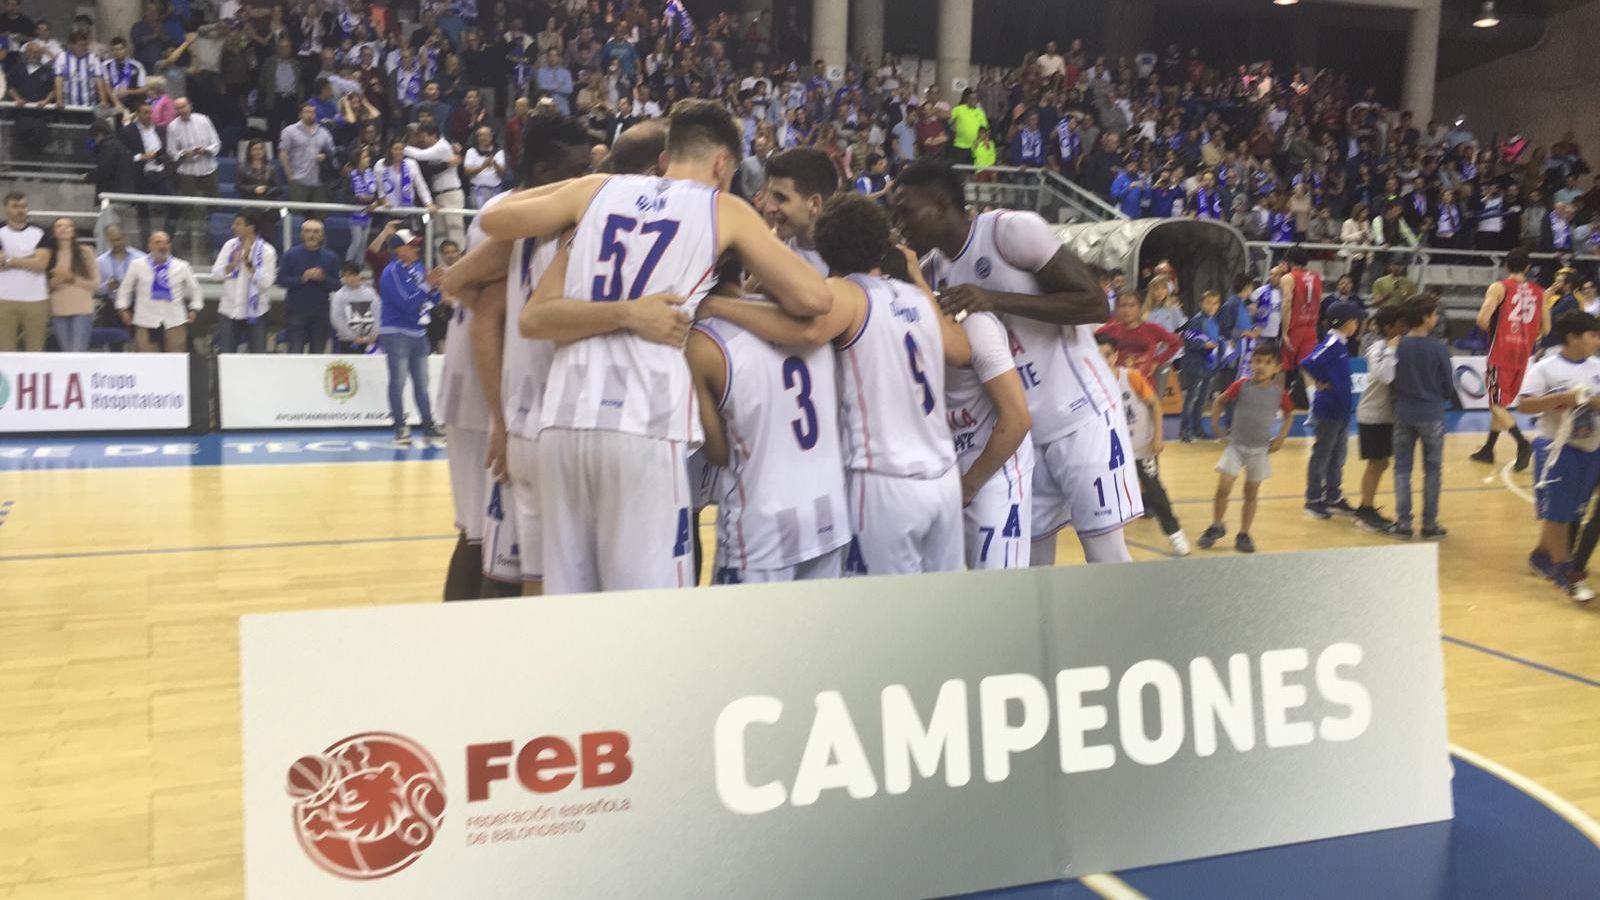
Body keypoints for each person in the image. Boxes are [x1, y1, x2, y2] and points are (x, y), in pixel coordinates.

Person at [479, 99, 830, 594]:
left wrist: (587, 188)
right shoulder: (721, 208)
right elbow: (812, 297)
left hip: (563, 423)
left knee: (567, 613)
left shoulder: (598, 193)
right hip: (642, 424)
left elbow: (503, 241)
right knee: (649, 615)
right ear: (722, 164)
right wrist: (678, 307)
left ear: (667, 156)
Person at [700, 196, 970, 576]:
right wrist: (920, 279)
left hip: (884, 480)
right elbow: (961, 350)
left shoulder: (847, 294)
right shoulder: (915, 297)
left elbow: (807, 329)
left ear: (824, 248)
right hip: (942, 478)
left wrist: (719, 307)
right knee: (945, 608)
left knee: (881, 617)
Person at [898, 159, 1142, 565]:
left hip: (1080, 414)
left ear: (940, 203)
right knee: (1031, 560)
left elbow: (1095, 304)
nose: (899, 221)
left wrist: (995, 298)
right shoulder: (930, 271)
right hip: (1021, 433)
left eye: (905, 209)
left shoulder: (1009, 230)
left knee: (1105, 553)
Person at [943, 294, 1034, 569]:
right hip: (945, 476)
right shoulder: (895, 332)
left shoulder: (976, 327)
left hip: (991, 473)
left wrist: (969, 486)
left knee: (998, 597)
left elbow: (1017, 420)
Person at [1521, 311, 1600, 604]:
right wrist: (1560, 399)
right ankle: (1566, 574)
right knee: (1558, 513)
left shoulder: (1597, 366)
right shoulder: (1546, 368)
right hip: (1557, 448)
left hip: (1591, 450)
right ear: (1573, 338)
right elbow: (1525, 404)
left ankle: (1541, 555)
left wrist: (1589, 401)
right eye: (1593, 335)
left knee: (1572, 512)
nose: (1597, 341)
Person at [1197, 341, 1294, 554]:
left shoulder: (1279, 393)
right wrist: (1216, 424)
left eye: (1268, 363)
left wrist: (1281, 438)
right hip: (1236, 446)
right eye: (1257, 361)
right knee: (1223, 486)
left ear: (1277, 368)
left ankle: (1243, 533)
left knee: (1251, 492)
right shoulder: (1241, 385)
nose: (1261, 366)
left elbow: (1289, 415)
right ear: (1251, 362)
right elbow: (1220, 401)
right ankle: (1217, 525)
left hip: (1260, 450)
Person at [1100, 334, 1188, 555]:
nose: (1104, 360)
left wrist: (1158, 436)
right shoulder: (1091, 384)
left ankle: (1175, 533)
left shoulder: (1130, 377)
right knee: (1109, 495)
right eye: (1098, 356)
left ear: (1116, 355)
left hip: (1141, 447)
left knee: (1154, 489)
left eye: (1108, 355)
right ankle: (1111, 542)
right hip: (1111, 452)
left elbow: (1155, 405)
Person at [1471, 248, 1548, 470]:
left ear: (1506, 266)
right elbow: (1547, 328)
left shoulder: (1500, 287)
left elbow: (1482, 319)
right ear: (1527, 267)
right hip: (1523, 354)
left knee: (1496, 404)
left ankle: (1522, 443)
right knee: (1501, 404)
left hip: (1501, 353)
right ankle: (1488, 449)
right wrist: (1525, 336)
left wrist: (1500, 334)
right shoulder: (1540, 292)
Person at [1385, 297, 1453, 541]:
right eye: (1434, 314)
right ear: (1425, 317)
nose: (1436, 318)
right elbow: (1448, 385)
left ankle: (1403, 523)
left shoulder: (1398, 346)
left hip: (1403, 412)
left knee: (1402, 468)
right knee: (1432, 470)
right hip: (1432, 414)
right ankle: (1429, 523)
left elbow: (1389, 380)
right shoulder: (1438, 348)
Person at [374, 228, 443, 446]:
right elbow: (406, 304)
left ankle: (429, 425)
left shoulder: (418, 267)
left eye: (416, 244)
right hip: (396, 332)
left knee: (422, 383)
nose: (417, 248)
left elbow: (432, 298)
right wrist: (428, 286)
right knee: (399, 381)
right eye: (411, 245)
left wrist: (434, 289)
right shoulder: (390, 272)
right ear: (398, 249)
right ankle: (400, 428)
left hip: (419, 331)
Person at [1299, 300, 1365, 518]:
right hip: (1329, 410)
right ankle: (1313, 498)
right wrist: (1320, 380)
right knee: (1322, 455)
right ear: (1347, 323)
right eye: (1356, 320)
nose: (1358, 324)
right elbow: (1307, 362)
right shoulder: (1332, 344)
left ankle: (1333, 496)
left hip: (1341, 410)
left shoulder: (1341, 345)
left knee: (1338, 456)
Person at [1355, 305, 1406, 532]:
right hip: (1373, 415)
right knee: (1376, 463)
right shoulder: (1379, 347)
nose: (1404, 327)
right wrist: (1392, 349)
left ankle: (1367, 506)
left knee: (1382, 462)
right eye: (1400, 323)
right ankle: (1365, 509)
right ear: (1389, 327)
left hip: (1387, 416)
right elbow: (1384, 376)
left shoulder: (1398, 346)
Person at [114, 230, 202, 352]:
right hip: (145, 320)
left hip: (175, 320)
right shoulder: (137, 265)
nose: (162, 246)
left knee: (176, 362)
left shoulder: (182, 266)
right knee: (146, 363)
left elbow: (195, 290)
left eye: (166, 243)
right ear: (149, 245)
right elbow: (125, 289)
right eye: (157, 243)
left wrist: (194, 309)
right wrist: (123, 309)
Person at [759, 147, 837, 275]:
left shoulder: (847, 261)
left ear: (814, 204)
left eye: (781, 198)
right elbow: (747, 293)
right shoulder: (775, 243)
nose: (769, 207)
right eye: (770, 195)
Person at [164, 96, 221, 261]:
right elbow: (172, 151)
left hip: (208, 167)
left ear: (190, 106)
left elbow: (216, 143)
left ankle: (212, 240)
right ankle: (189, 240)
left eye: (184, 107)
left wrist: (205, 150)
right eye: (178, 108)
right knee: (188, 207)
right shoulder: (173, 126)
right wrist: (183, 154)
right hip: (187, 170)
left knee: (214, 204)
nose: (182, 111)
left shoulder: (203, 120)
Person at [211, 214, 278, 353]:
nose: (233, 227)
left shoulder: (267, 251)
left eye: (238, 224)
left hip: (257, 311)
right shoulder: (229, 246)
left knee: (257, 355)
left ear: (250, 228)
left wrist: (248, 263)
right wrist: (232, 265)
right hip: (229, 310)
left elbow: (266, 283)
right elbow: (215, 275)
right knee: (226, 355)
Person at [277, 218, 341, 353]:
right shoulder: (291, 254)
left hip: (320, 314)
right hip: (295, 312)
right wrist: (302, 278)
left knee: (317, 357)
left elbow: (337, 285)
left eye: (316, 231)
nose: (312, 235)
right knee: (295, 354)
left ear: (322, 234)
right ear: (302, 234)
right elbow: (281, 281)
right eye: (308, 231)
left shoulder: (331, 257)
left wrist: (323, 278)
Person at [0, 192, 50, 352]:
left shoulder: (41, 231)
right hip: (4, 299)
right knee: (4, 352)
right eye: (15, 206)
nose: (20, 210)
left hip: (36, 299)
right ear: (6, 208)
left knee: (36, 350)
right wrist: (30, 258)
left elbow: (41, 264)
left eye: (23, 206)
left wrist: (10, 260)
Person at [405, 123, 467, 248]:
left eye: (424, 136)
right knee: (440, 234)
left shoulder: (442, 147)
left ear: (433, 135)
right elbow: (429, 169)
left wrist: (402, 148)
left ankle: (459, 265)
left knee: (454, 232)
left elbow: (420, 155)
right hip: (438, 196)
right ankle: (441, 266)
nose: (422, 140)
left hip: (451, 194)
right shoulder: (437, 148)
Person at [1097, 290, 1180, 382]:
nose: (1127, 310)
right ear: (1116, 309)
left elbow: (1175, 343)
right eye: (1122, 306)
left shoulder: (1152, 329)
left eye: (1132, 305)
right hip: (1117, 386)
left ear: (1139, 308)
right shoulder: (1109, 330)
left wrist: (1157, 361)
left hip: (1146, 386)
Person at [44, 218, 97, 352]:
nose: (64, 229)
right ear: (54, 232)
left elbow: (95, 283)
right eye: (59, 226)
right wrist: (57, 280)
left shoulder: (86, 251)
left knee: (77, 352)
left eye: (68, 226)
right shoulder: (49, 254)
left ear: (73, 231)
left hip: (82, 309)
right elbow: (44, 288)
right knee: (66, 353)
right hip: (58, 310)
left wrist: (71, 278)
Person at [1179, 290, 1224, 442]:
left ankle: (1198, 429)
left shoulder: (1214, 321)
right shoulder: (1197, 320)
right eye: (1208, 303)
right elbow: (1189, 338)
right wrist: (1204, 344)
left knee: (1202, 400)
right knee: (1191, 398)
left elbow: (1216, 340)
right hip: (1195, 365)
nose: (1212, 306)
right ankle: (1185, 430)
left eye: (1215, 303)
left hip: (1209, 366)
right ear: (1201, 304)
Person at [279, 102, 335, 203]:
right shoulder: (289, 131)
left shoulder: (324, 132)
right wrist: (289, 176)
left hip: (319, 182)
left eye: (313, 112)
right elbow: (283, 153)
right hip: (298, 180)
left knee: (320, 216)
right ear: (300, 114)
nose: (310, 114)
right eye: (307, 112)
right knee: (297, 215)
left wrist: (325, 155)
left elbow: (331, 151)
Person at [330, 262, 378, 353]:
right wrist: (353, 336)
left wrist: (374, 333)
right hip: (347, 342)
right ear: (343, 278)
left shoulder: (370, 293)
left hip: (370, 341)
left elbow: (378, 314)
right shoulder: (339, 296)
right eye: (348, 276)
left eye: (354, 275)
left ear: (359, 275)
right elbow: (336, 319)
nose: (351, 278)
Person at [948, 87, 987, 165]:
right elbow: (949, 121)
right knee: (959, 171)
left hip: (975, 147)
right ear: (966, 98)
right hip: (960, 146)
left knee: (973, 172)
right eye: (971, 98)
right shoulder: (958, 109)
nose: (973, 100)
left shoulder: (980, 113)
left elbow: (984, 129)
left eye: (975, 98)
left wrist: (980, 140)